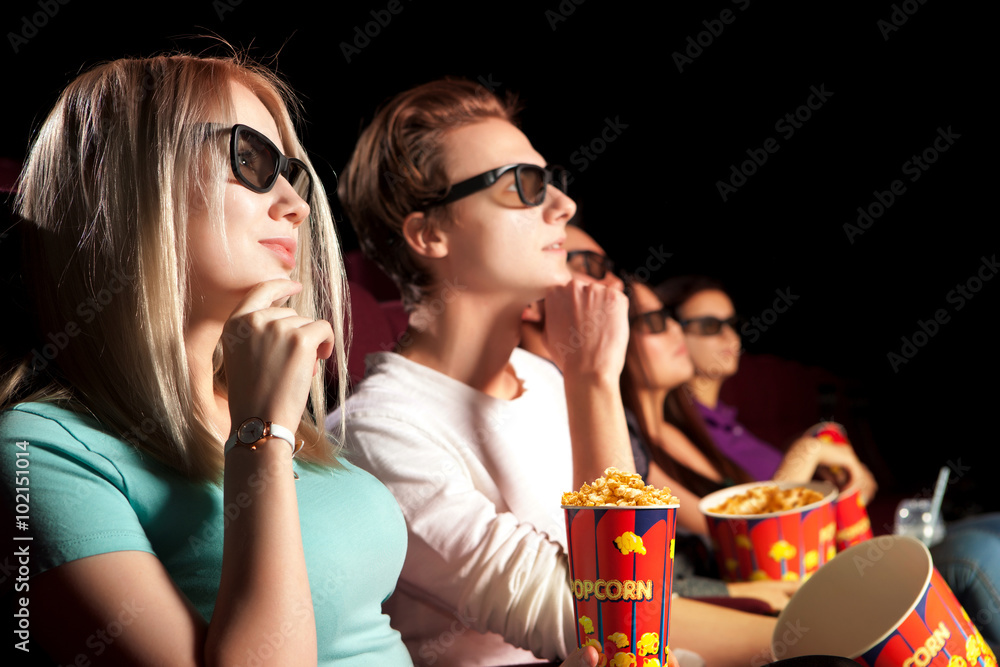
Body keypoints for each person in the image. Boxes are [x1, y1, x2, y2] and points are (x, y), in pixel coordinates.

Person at [329, 78, 776, 667]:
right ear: (430, 233)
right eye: (523, 184)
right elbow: (617, 625)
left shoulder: (542, 378)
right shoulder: (376, 433)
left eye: (551, 180)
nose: (563, 206)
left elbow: (655, 588)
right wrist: (593, 379)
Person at [0, 52, 412, 666]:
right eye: (250, 160)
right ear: (130, 183)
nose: (296, 206)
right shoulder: (38, 449)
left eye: (291, 175)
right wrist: (261, 438)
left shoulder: (268, 407)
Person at [651, 276, 877, 503]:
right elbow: (752, 517)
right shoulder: (676, 431)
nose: (730, 336)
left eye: (733, 324)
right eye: (710, 326)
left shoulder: (727, 422)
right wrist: (810, 450)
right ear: (671, 332)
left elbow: (769, 481)